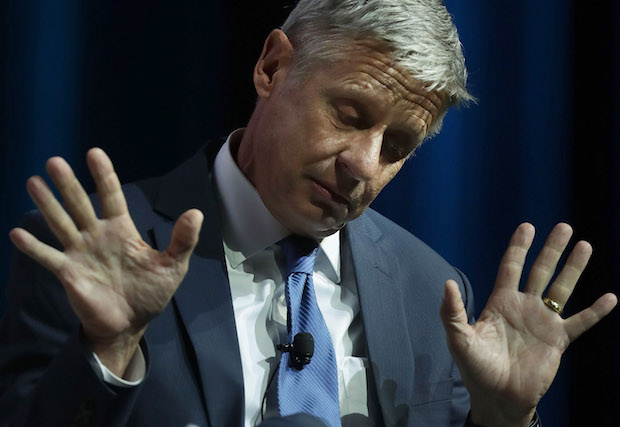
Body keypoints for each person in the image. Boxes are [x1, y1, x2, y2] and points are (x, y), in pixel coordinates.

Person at [0, 1, 617, 426]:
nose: (363, 164)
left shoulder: (433, 292)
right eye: (349, 115)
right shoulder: (93, 250)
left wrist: (504, 419)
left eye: (397, 147)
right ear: (272, 67)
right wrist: (108, 349)